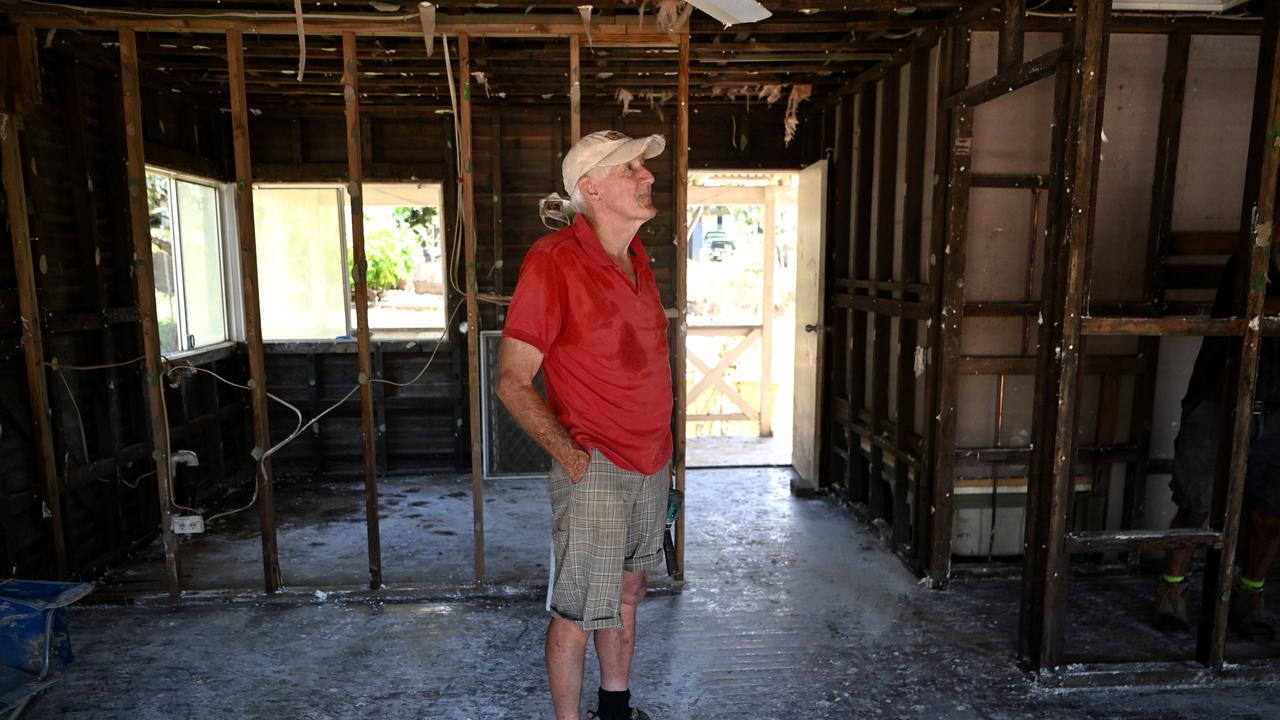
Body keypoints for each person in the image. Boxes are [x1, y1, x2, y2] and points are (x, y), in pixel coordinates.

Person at [497, 129, 672, 720]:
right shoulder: (554, 261)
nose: (648, 177)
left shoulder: (637, 257)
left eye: (645, 168)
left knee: (626, 594)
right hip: (596, 466)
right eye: (631, 169)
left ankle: (615, 711)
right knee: (577, 609)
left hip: (651, 462)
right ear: (591, 188)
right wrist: (576, 460)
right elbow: (511, 381)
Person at [1155, 252, 1280, 642]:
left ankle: (1250, 598)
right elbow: (1253, 310)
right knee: (1197, 504)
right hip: (1218, 399)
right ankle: (1172, 591)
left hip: (1277, 407)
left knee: (1270, 515)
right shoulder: (1249, 262)